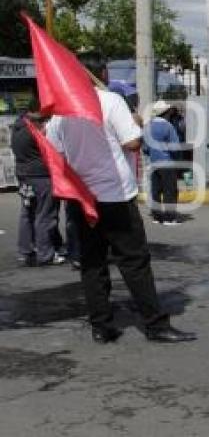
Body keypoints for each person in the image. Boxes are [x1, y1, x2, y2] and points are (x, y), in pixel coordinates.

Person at [50, 70, 196, 345]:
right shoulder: (110, 101)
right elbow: (132, 142)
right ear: (101, 74)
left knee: (92, 263)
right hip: (115, 195)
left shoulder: (61, 111)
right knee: (135, 261)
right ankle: (154, 323)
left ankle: (101, 325)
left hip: (83, 198)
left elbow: (55, 152)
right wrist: (135, 124)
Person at [12, 101, 63, 267]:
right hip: (40, 176)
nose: (47, 117)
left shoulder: (18, 126)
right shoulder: (35, 130)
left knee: (27, 212)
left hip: (23, 174)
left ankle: (25, 250)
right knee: (45, 215)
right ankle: (45, 253)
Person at [144, 100, 182, 225]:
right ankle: (169, 218)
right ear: (166, 112)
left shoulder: (148, 126)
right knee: (169, 190)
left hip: (153, 162)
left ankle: (157, 216)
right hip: (167, 162)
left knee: (156, 190)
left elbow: (145, 148)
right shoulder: (168, 126)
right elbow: (175, 146)